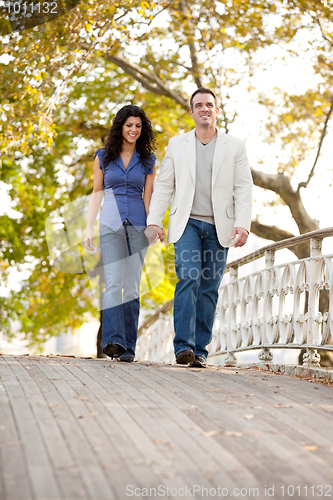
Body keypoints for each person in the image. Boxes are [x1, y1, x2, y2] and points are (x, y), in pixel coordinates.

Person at [145, 88, 252, 368]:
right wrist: (154, 220)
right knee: (189, 278)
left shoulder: (235, 146)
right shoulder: (177, 144)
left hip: (220, 227)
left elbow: (243, 187)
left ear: (216, 110)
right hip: (187, 224)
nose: (205, 109)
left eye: (210, 105)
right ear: (191, 112)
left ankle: (200, 351)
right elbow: (165, 184)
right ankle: (183, 347)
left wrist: (243, 224)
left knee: (209, 288)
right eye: (199, 105)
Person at [85, 105, 156, 362]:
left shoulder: (148, 161)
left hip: (138, 226)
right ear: (120, 127)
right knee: (113, 282)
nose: (133, 130)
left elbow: (148, 198)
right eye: (129, 125)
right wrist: (88, 228)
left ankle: (128, 348)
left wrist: (153, 225)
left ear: (142, 129)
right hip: (110, 227)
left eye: (138, 126)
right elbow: (97, 193)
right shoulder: (103, 157)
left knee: (132, 288)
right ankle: (113, 341)